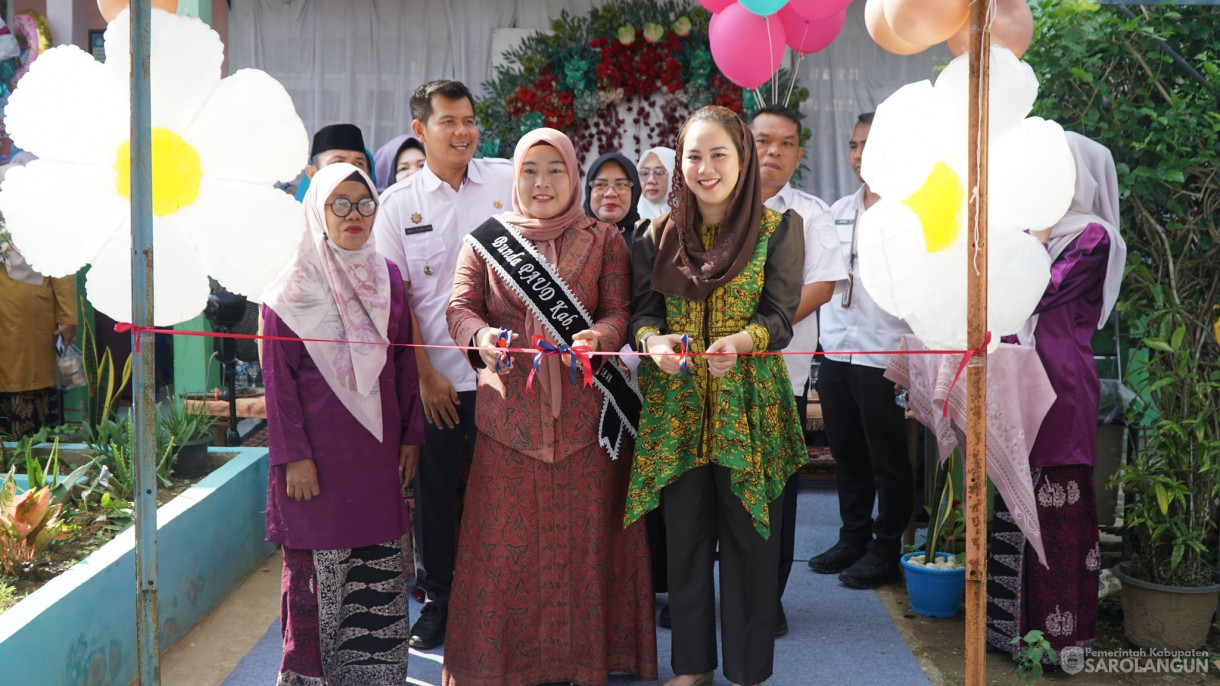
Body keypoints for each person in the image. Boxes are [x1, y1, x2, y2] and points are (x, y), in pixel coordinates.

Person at [442, 128, 657, 686]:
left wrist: (599, 338)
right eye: (531, 170)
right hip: (509, 420)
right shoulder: (485, 241)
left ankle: (586, 663)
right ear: (516, 177)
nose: (543, 182)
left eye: (555, 170)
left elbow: (618, 309)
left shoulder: (606, 238)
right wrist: (481, 336)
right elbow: (460, 307)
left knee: (589, 546)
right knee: (503, 551)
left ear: (573, 175)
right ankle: (500, 664)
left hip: (587, 423)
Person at [626, 106, 806, 686]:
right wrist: (651, 342)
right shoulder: (655, 235)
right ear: (679, 164)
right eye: (693, 156)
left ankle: (749, 671)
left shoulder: (779, 229)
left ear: (743, 158)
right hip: (677, 405)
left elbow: (781, 316)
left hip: (749, 404)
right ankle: (692, 668)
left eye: (718, 154)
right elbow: (644, 314)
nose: (705, 168)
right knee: (686, 539)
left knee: (753, 544)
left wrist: (744, 340)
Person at [261, 162, 424, 686]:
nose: (354, 215)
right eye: (340, 204)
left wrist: (412, 437)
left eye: (365, 203)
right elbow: (278, 384)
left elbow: (404, 363)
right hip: (316, 466)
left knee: (376, 577)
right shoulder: (288, 291)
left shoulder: (389, 279)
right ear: (317, 210)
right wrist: (294, 457)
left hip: (375, 460)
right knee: (318, 581)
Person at [372, 79, 513, 650]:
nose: (463, 131)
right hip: (439, 382)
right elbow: (395, 296)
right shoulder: (398, 205)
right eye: (449, 121)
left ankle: (503, 599)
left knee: (503, 492)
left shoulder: (507, 180)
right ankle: (440, 603)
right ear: (419, 131)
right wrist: (425, 375)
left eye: (470, 120)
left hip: (507, 377)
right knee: (433, 496)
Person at [986, 132, 1126, 660]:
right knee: (1014, 488)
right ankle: (1009, 631)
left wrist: (1036, 237)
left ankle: (1056, 640)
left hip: (1061, 387)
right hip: (1017, 380)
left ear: (1079, 179)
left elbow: (1034, 290)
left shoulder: (1093, 237)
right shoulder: (1032, 233)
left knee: (1056, 499)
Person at [747, 104, 846, 633]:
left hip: (777, 375)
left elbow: (823, 286)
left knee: (773, 496)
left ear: (799, 154)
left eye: (786, 143)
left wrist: (754, 329)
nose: (773, 152)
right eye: (764, 140)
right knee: (711, 491)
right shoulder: (711, 202)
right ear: (744, 141)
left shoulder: (811, 213)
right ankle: (704, 595)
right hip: (709, 376)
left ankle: (768, 600)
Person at [808, 112, 915, 590]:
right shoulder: (836, 211)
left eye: (868, 145)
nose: (858, 155)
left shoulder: (910, 214)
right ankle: (852, 537)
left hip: (883, 355)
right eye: (853, 145)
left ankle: (887, 545)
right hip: (836, 353)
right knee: (845, 452)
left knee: (888, 458)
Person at [0, 160, 78, 438]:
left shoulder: (43, 225)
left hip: (29, 323)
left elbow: (61, 270)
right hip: (15, 319)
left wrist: (68, 318)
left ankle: (27, 456)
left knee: (28, 385)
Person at [294, 123, 376, 201]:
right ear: (312, 173)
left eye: (358, 164)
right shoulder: (297, 214)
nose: (350, 171)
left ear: (368, 175)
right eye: (338, 163)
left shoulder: (377, 213)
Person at [636, 145, 675, 220]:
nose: (651, 180)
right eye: (644, 173)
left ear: (674, 176)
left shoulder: (691, 217)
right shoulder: (629, 218)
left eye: (659, 173)